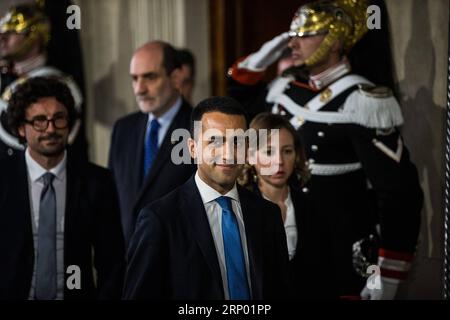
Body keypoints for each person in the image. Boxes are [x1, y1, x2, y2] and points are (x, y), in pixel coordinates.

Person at [227, 0, 423, 299]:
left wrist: (388, 273)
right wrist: (266, 53)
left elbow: (398, 192)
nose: (293, 42)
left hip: (339, 251)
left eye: (305, 34)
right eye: (292, 34)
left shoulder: (363, 100)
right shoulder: (287, 88)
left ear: (334, 39)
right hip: (287, 244)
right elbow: (240, 98)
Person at [123, 96, 289, 300]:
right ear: (192, 148)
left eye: (237, 141)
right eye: (215, 141)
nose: (228, 153)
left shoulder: (268, 215)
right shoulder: (160, 220)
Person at [0, 77, 124, 300]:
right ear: (21, 128)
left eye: (59, 119)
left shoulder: (98, 182)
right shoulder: (3, 179)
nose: (51, 129)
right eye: (39, 121)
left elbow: (112, 262)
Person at [238, 112, 336, 299]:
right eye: (268, 152)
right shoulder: (237, 210)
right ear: (250, 156)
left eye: (287, 151)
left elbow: (326, 276)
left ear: (297, 155)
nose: (279, 161)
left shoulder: (313, 208)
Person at [108, 41, 195, 246]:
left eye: (150, 77)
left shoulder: (199, 128)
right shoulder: (123, 129)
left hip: (178, 264)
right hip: (128, 264)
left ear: (175, 78)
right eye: (134, 78)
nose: (140, 89)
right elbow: (111, 201)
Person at [0, 2, 87, 162]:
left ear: (35, 35)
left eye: (12, 31)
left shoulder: (56, 84)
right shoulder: (7, 79)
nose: (2, 37)